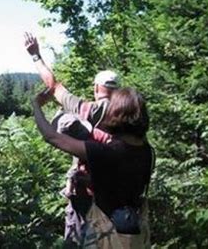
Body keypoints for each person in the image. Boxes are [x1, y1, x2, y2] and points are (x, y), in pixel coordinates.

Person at [24, 32, 120, 244]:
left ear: (96, 88)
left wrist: (35, 55)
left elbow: (53, 86)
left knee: (75, 239)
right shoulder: (129, 116)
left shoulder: (86, 109)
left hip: (83, 193)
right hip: (114, 198)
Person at [32, 87, 154, 248]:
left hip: (105, 235)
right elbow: (124, 182)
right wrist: (90, 180)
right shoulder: (148, 152)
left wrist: (36, 106)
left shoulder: (107, 151)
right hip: (133, 232)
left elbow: (52, 137)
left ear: (115, 114)